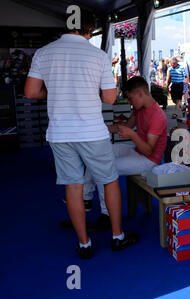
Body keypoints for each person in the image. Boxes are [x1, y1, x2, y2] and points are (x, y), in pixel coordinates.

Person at [24, 9, 139, 259]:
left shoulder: (44, 53)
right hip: (92, 131)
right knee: (108, 180)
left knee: (73, 186)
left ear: (66, 26)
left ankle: (84, 243)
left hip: (60, 133)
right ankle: (118, 236)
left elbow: (31, 93)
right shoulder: (98, 55)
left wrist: (53, 92)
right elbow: (109, 98)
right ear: (90, 29)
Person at [84, 76, 168, 225]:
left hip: (148, 161)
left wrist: (132, 135)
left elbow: (148, 150)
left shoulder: (157, 116)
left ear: (141, 93)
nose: (129, 102)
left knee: (105, 167)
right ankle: (85, 198)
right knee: (97, 153)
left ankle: (107, 214)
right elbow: (125, 127)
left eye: (130, 98)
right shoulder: (140, 108)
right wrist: (98, 129)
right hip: (136, 151)